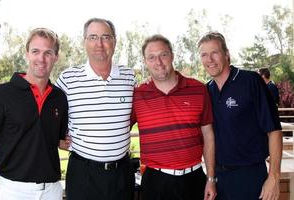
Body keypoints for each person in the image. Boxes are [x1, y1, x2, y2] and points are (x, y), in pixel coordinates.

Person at [56, 18, 136, 200]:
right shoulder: (68, 78)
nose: (99, 44)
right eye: (92, 37)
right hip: (83, 173)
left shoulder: (129, 77)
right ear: (84, 42)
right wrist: (57, 137)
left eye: (105, 37)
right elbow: (50, 113)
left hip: (121, 173)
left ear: (114, 42)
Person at [198, 31, 282, 200]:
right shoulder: (207, 91)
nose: (209, 59)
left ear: (227, 54)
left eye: (214, 53)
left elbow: (274, 131)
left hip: (250, 177)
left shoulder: (251, 81)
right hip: (219, 180)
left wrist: (274, 177)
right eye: (204, 55)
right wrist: (211, 178)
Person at [131, 34, 217, 200]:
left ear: (172, 56)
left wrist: (211, 178)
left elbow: (208, 135)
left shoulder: (198, 89)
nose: (158, 62)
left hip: (194, 179)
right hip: (155, 182)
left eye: (163, 55)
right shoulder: (137, 95)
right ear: (145, 61)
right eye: (151, 57)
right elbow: (118, 127)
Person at [0, 28, 68, 200]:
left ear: (55, 57)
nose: (41, 59)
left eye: (48, 53)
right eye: (35, 51)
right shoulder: (1, 94)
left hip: (51, 190)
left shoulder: (59, 97)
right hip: (13, 190)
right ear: (27, 54)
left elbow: (60, 138)